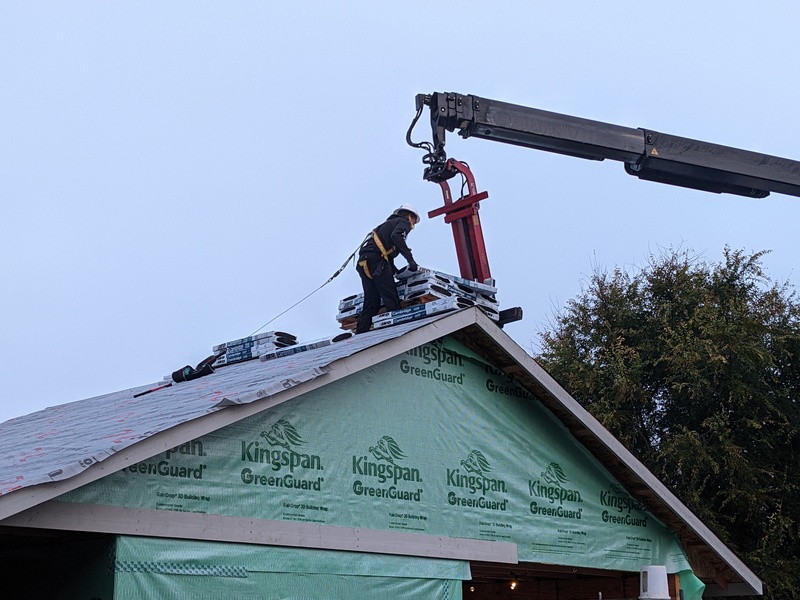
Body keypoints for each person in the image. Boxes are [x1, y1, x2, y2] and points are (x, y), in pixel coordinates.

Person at [355, 204, 421, 334]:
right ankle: (398, 331)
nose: (413, 225)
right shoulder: (403, 223)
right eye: (414, 221)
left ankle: (360, 335)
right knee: (391, 298)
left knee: (371, 303)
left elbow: (387, 254)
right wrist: (410, 260)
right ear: (409, 216)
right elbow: (397, 237)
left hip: (364, 263)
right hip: (377, 264)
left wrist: (395, 272)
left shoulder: (385, 226)